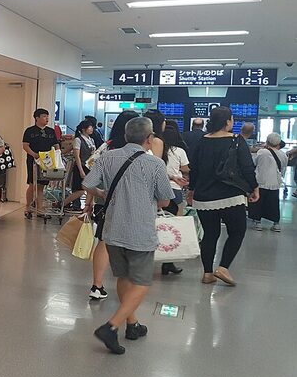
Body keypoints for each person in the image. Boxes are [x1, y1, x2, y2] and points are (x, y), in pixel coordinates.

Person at [84, 117, 174, 355]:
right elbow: (165, 199)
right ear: (149, 138)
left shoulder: (107, 157)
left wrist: (103, 193)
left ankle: (132, 324)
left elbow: (87, 183)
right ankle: (112, 326)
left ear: (125, 136)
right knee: (142, 282)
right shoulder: (155, 164)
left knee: (123, 276)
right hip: (140, 231)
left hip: (113, 230)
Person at [188, 106, 259, 286]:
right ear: (228, 122)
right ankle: (223, 267)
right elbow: (247, 167)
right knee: (237, 231)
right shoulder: (236, 140)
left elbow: (194, 168)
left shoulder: (202, 141)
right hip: (231, 196)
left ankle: (207, 273)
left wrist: (192, 189)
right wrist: (254, 187)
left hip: (204, 197)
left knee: (210, 235)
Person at [85, 110, 138, 300]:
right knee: (131, 243)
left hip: (105, 203)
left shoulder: (106, 148)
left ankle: (97, 285)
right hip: (133, 203)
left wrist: (92, 200)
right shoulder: (141, 152)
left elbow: (91, 179)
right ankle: (130, 285)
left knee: (103, 241)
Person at [160, 118, 190, 276]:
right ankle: (168, 261)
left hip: (159, 190)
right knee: (173, 226)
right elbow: (185, 169)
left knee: (158, 222)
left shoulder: (158, 149)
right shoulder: (179, 151)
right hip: (175, 190)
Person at [22, 108, 59, 219]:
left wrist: (57, 155)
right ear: (37, 118)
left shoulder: (51, 132)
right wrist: (34, 154)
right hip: (33, 160)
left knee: (41, 186)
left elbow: (56, 145)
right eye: (44, 116)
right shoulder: (30, 131)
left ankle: (40, 209)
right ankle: (28, 207)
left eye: (47, 116)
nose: (46, 118)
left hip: (47, 161)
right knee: (32, 184)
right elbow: (25, 145)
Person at [249, 133, 287, 232]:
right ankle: (276, 224)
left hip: (261, 181)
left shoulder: (262, 152)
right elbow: (283, 169)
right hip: (275, 183)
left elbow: (253, 162)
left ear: (267, 141)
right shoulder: (283, 154)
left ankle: (258, 222)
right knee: (273, 203)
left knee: (258, 202)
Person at [63, 120, 95, 213]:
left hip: (90, 167)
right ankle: (63, 204)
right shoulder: (78, 140)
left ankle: (88, 209)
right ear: (84, 129)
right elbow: (77, 156)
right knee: (80, 190)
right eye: (90, 127)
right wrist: (81, 170)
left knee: (90, 190)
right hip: (80, 167)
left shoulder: (91, 140)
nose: (92, 129)